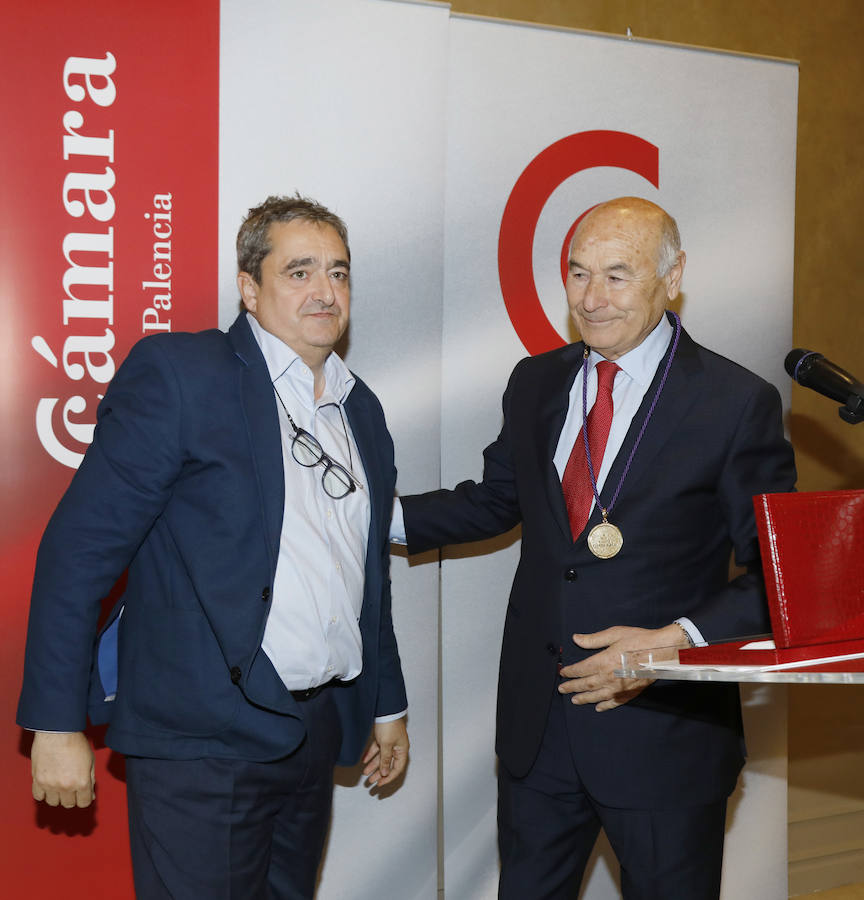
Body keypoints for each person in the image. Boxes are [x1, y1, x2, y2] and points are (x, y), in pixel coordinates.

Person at [393, 197, 795, 899]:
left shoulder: (736, 403)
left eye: (618, 275)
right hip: (539, 730)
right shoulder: (536, 382)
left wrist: (673, 641)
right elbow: (493, 501)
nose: (592, 298)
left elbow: (776, 576)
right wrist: (363, 519)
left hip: (664, 734)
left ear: (672, 279)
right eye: (579, 274)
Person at [18, 195, 409, 899]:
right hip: (200, 743)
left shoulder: (362, 410)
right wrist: (55, 723)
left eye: (339, 272)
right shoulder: (182, 376)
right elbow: (78, 553)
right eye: (299, 271)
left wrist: (385, 705)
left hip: (312, 732)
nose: (325, 291)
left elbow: (364, 573)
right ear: (249, 288)